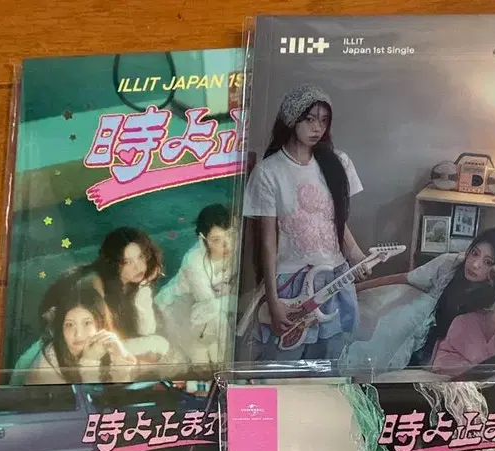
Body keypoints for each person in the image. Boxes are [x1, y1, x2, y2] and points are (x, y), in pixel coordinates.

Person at [242, 84, 370, 361]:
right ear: (291, 119)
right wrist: (273, 300)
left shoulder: (338, 163)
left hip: (334, 277)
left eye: (323, 121)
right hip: (291, 283)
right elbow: (268, 242)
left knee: (330, 363)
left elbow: (335, 222)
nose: (317, 128)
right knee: (282, 365)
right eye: (309, 119)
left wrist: (357, 256)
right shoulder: (269, 172)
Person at [345, 228, 495, 373]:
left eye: (488, 262)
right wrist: (355, 288)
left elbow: (494, 333)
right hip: (418, 339)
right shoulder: (450, 263)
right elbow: (405, 277)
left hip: (450, 357)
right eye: (474, 253)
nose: (475, 264)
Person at [155, 203, 237, 369]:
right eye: (216, 240)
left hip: (202, 309)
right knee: (190, 362)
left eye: (230, 234)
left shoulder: (237, 247)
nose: (227, 244)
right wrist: (234, 296)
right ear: (203, 238)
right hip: (174, 308)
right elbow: (209, 304)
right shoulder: (194, 260)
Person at [25, 282, 136, 384]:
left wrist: (120, 356)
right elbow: (84, 398)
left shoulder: (106, 345)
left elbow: (120, 395)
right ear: (61, 329)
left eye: (87, 323)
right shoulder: (48, 365)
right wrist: (89, 362)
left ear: (100, 325)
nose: (78, 334)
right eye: (69, 325)